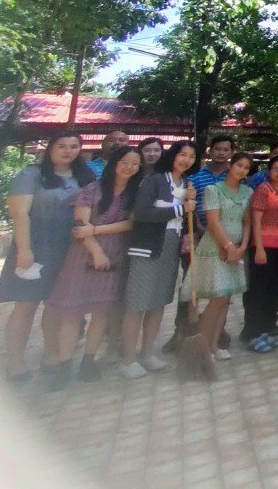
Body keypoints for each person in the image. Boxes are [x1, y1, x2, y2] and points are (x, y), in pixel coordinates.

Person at [0, 131, 94, 382]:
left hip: (68, 250)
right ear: (50, 148)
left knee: (55, 307)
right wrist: (24, 249)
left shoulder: (85, 177)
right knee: (25, 307)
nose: (68, 150)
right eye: (61, 145)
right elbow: (20, 214)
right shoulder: (31, 174)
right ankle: (16, 364)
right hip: (35, 247)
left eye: (74, 146)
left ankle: (51, 355)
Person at [46, 146, 139, 387]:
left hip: (115, 253)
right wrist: (96, 251)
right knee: (71, 313)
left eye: (135, 164)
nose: (129, 167)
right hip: (83, 254)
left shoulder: (134, 194)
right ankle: (64, 365)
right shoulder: (92, 189)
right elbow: (80, 226)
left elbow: (131, 224)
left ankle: (89, 360)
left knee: (101, 312)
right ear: (115, 163)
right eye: (125, 161)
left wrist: (97, 230)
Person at [119, 140, 199, 379]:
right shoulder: (154, 181)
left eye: (192, 157)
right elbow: (141, 213)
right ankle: (127, 359)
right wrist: (181, 209)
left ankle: (147, 354)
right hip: (148, 247)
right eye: (182, 154)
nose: (186, 160)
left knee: (158, 302)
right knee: (137, 303)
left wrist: (189, 209)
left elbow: (186, 218)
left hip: (171, 248)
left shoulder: (185, 183)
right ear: (173, 155)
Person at [165, 134, 234, 353]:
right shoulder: (194, 175)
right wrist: (198, 227)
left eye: (226, 149)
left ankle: (217, 330)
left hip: (225, 239)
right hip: (197, 236)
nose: (221, 153)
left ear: (231, 152)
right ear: (210, 151)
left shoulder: (237, 176)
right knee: (189, 287)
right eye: (217, 149)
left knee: (222, 288)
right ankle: (182, 332)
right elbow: (189, 203)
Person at [183, 152, 253, 362]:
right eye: (239, 165)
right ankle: (200, 345)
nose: (241, 170)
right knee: (217, 298)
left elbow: (247, 222)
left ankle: (214, 345)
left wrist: (242, 247)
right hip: (215, 247)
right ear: (231, 166)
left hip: (237, 249)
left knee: (226, 298)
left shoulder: (248, 192)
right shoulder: (213, 190)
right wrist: (229, 246)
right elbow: (213, 223)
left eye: (246, 168)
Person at [243, 155, 278, 351]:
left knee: (275, 289)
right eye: (276, 168)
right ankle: (253, 332)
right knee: (258, 290)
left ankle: (268, 327)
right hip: (263, 247)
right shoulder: (263, 190)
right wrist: (259, 248)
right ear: (269, 171)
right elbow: (256, 220)